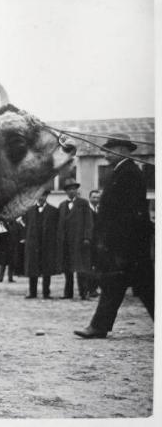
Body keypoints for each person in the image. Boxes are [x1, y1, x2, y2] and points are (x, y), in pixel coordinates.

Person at [74, 134, 154, 338]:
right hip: (126, 246)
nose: (104, 153)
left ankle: (98, 327)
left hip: (127, 246)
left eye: (108, 149)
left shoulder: (129, 173)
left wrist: (117, 246)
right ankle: (99, 327)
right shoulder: (121, 171)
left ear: (122, 150)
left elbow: (129, 214)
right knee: (121, 285)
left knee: (141, 287)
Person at [56, 178, 93, 300]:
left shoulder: (83, 203)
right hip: (65, 242)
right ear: (66, 191)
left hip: (79, 241)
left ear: (77, 190)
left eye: (74, 189)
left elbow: (88, 222)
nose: (72, 191)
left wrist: (87, 237)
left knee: (81, 269)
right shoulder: (62, 206)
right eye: (69, 189)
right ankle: (68, 293)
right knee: (67, 269)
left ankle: (84, 292)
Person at [23, 190, 59, 299]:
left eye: (43, 195)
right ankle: (32, 292)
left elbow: (56, 228)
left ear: (47, 196)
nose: (41, 198)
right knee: (33, 268)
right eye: (39, 195)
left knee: (46, 269)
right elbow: (25, 226)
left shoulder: (53, 210)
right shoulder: (29, 211)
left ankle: (46, 292)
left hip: (47, 244)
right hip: (33, 243)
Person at [86, 190, 102, 298]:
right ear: (90, 198)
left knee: (98, 266)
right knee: (88, 266)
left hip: (99, 243)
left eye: (97, 197)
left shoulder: (102, 210)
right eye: (94, 197)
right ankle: (88, 289)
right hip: (88, 242)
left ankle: (94, 288)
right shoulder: (86, 210)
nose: (96, 199)